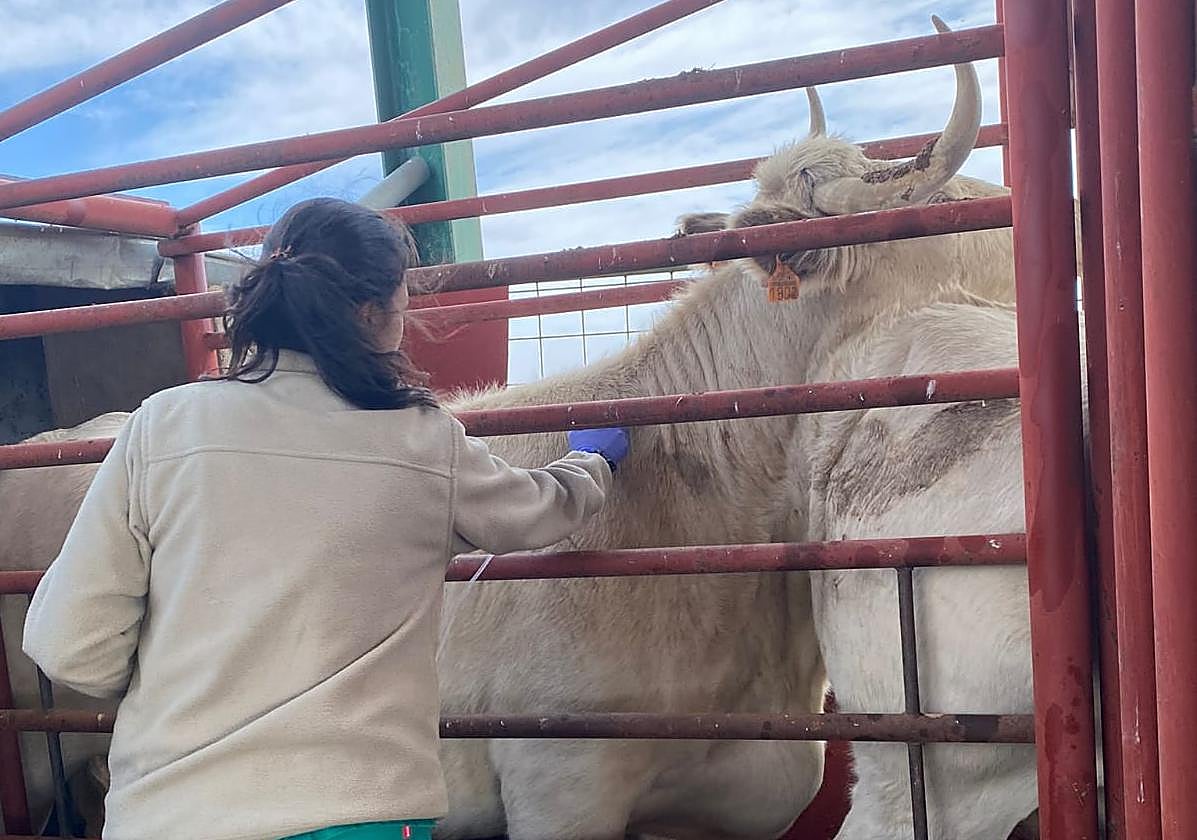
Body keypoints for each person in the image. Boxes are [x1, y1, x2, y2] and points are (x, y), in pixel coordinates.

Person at [23, 197, 631, 840]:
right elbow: (537, 511)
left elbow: (70, 646)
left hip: (170, 815)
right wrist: (591, 462)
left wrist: (183, 690)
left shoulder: (163, 426)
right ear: (373, 314)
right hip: (354, 810)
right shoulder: (421, 440)